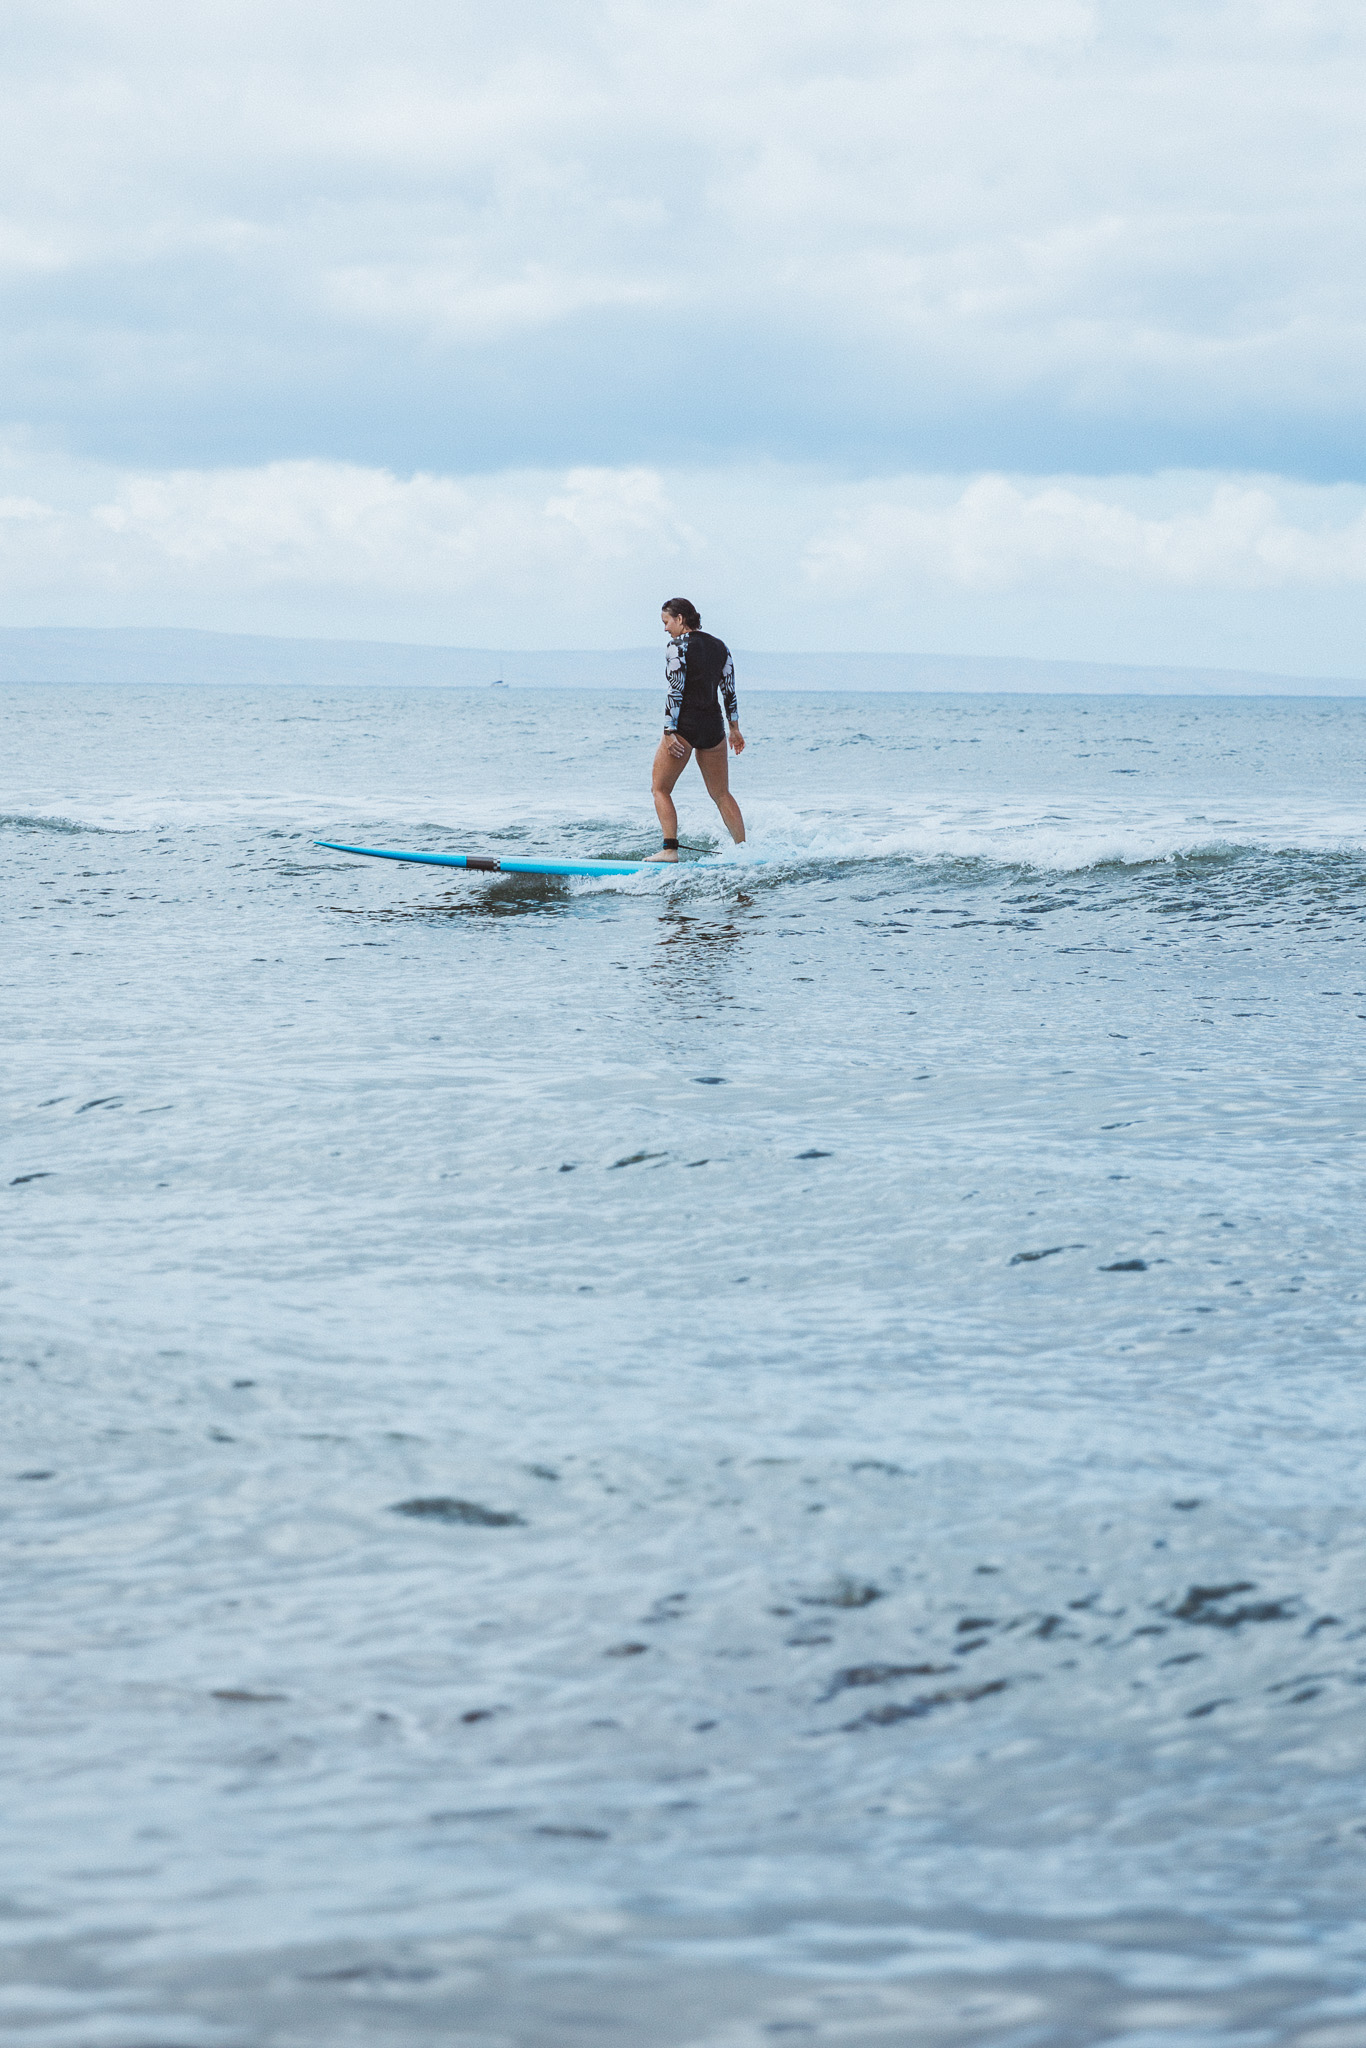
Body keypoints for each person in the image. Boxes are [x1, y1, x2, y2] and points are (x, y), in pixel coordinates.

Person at [648, 600, 746, 862]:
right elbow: (729, 690)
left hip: (684, 727)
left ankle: (670, 850)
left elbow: (675, 689)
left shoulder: (676, 646)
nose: (666, 629)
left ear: (680, 619)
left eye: (666, 622)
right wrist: (734, 729)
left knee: (660, 789)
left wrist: (669, 731)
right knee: (721, 793)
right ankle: (745, 851)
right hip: (713, 727)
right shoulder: (720, 646)